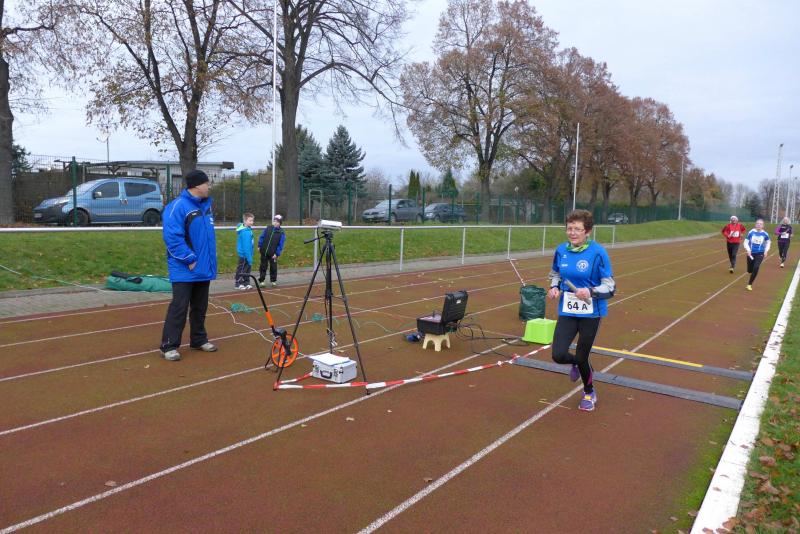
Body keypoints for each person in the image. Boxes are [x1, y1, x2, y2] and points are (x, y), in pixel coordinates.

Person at [547, 209, 615, 412]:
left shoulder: (598, 253)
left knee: (582, 356)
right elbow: (555, 273)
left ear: (587, 231)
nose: (572, 233)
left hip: (591, 313)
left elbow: (610, 287)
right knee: (558, 355)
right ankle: (575, 363)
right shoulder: (561, 250)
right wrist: (554, 287)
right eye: (569, 228)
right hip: (567, 311)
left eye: (577, 229)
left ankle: (589, 392)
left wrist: (590, 291)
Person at [159, 169, 218, 361]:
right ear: (196, 186)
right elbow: (172, 238)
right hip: (185, 267)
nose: (209, 186)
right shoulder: (177, 207)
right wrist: (189, 259)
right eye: (207, 183)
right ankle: (169, 345)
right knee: (179, 306)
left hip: (203, 267)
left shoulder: (206, 207)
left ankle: (198, 339)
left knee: (200, 306)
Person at [258, 214, 286, 287]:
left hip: (273, 254)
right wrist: (259, 245)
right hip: (264, 251)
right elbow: (262, 237)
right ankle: (262, 281)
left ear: (280, 223)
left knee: (273, 267)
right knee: (263, 266)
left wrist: (277, 253)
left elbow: (280, 245)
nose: (275, 223)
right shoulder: (268, 228)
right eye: (274, 221)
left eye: (277, 222)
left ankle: (273, 281)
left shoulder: (281, 232)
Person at [743, 218, 771, 291]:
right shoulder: (751, 232)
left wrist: (766, 251)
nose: (759, 225)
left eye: (760, 224)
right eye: (757, 223)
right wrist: (748, 250)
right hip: (751, 253)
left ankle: (749, 284)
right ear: (755, 225)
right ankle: (750, 271)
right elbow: (745, 242)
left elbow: (768, 242)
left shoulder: (765, 234)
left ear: (763, 226)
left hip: (760, 253)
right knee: (749, 270)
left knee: (756, 267)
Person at [235, 212, 255, 289]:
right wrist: (249, 257)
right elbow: (246, 246)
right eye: (250, 221)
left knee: (247, 269)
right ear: (245, 221)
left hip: (248, 254)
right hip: (244, 255)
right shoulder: (245, 232)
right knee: (241, 269)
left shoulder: (248, 230)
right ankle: (238, 283)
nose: (252, 222)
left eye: (252, 220)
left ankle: (246, 282)